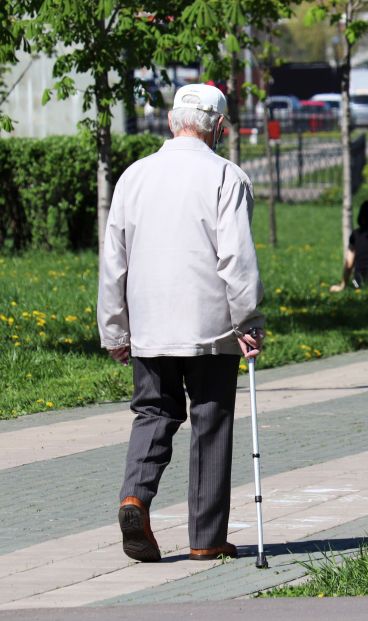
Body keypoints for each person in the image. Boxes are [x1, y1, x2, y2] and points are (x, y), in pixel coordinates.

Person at [97, 83, 264, 563]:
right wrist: (248, 319)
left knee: (153, 414)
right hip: (211, 327)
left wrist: (115, 329)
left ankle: (135, 496)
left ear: (172, 122)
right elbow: (236, 257)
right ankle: (206, 539)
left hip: (149, 323)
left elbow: (115, 261)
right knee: (211, 421)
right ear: (221, 128)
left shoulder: (134, 176)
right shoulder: (226, 176)